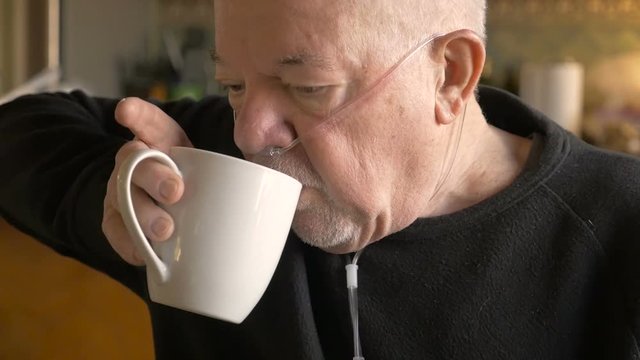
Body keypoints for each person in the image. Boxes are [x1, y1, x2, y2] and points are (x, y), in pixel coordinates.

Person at [1, 0, 639, 359]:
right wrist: (110, 200)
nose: (251, 133)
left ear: (449, 76)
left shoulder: (619, 230)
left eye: (308, 88)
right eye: (232, 84)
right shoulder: (208, 165)